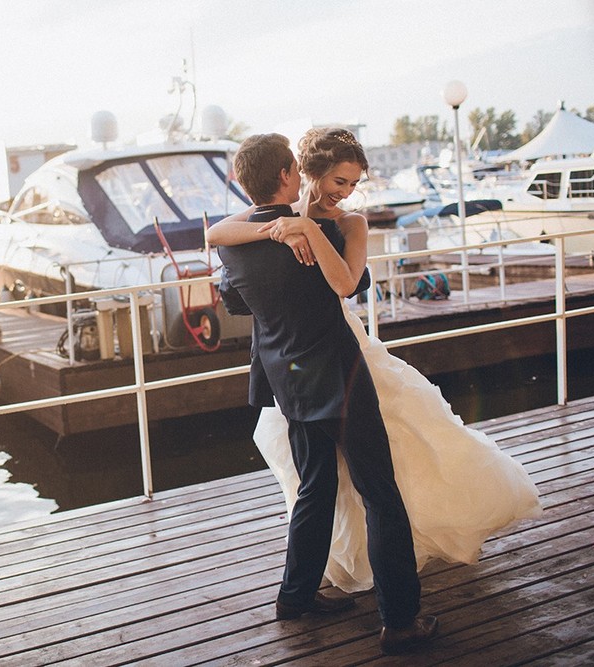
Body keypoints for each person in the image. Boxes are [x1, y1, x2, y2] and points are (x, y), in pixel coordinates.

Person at [209, 129, 542, 654]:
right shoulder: (292, 229)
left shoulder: (248, 237)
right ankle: (401, 620)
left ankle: (294, 598)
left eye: (353, 182)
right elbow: (344, 285)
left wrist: (294, 226)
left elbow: (219, 248)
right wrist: (291, 228)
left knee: (315, 488)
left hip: (286, 377)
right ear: (292, 174)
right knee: (380, 494)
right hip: (338, 375)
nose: (346, 191)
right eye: (338, 179)